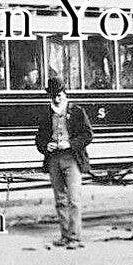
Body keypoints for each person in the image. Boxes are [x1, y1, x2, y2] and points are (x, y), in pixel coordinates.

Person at [34, 78, 93, 249]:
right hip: (54, 159)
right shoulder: (46, 114)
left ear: (65, 94)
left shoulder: (77, 112)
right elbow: (39, 139)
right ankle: (65, 235)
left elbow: (88, 135)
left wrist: (71, 144)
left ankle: (74, 237)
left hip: (71, 158)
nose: (57, 99)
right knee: (60, 199)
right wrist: (46, 145)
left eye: (59, 95)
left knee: (74, 199)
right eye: (53, 96)